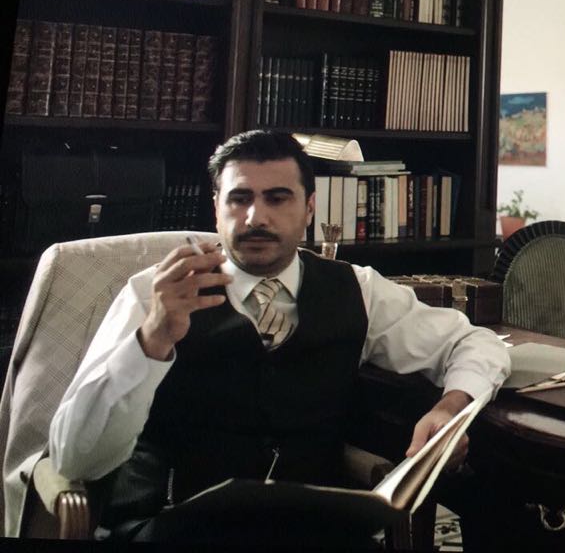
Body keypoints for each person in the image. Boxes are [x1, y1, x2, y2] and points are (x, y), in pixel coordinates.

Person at [48, 130, 511, 544]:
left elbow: (475, 343)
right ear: (216, 207)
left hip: (312, 529)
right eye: (239, 198)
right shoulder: (151, 293)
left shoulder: (358, 289)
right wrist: (152, 339)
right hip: (170, 525)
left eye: (277, 198)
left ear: (309, 208)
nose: (256, 217)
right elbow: (74, 458)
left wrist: (451, 407)